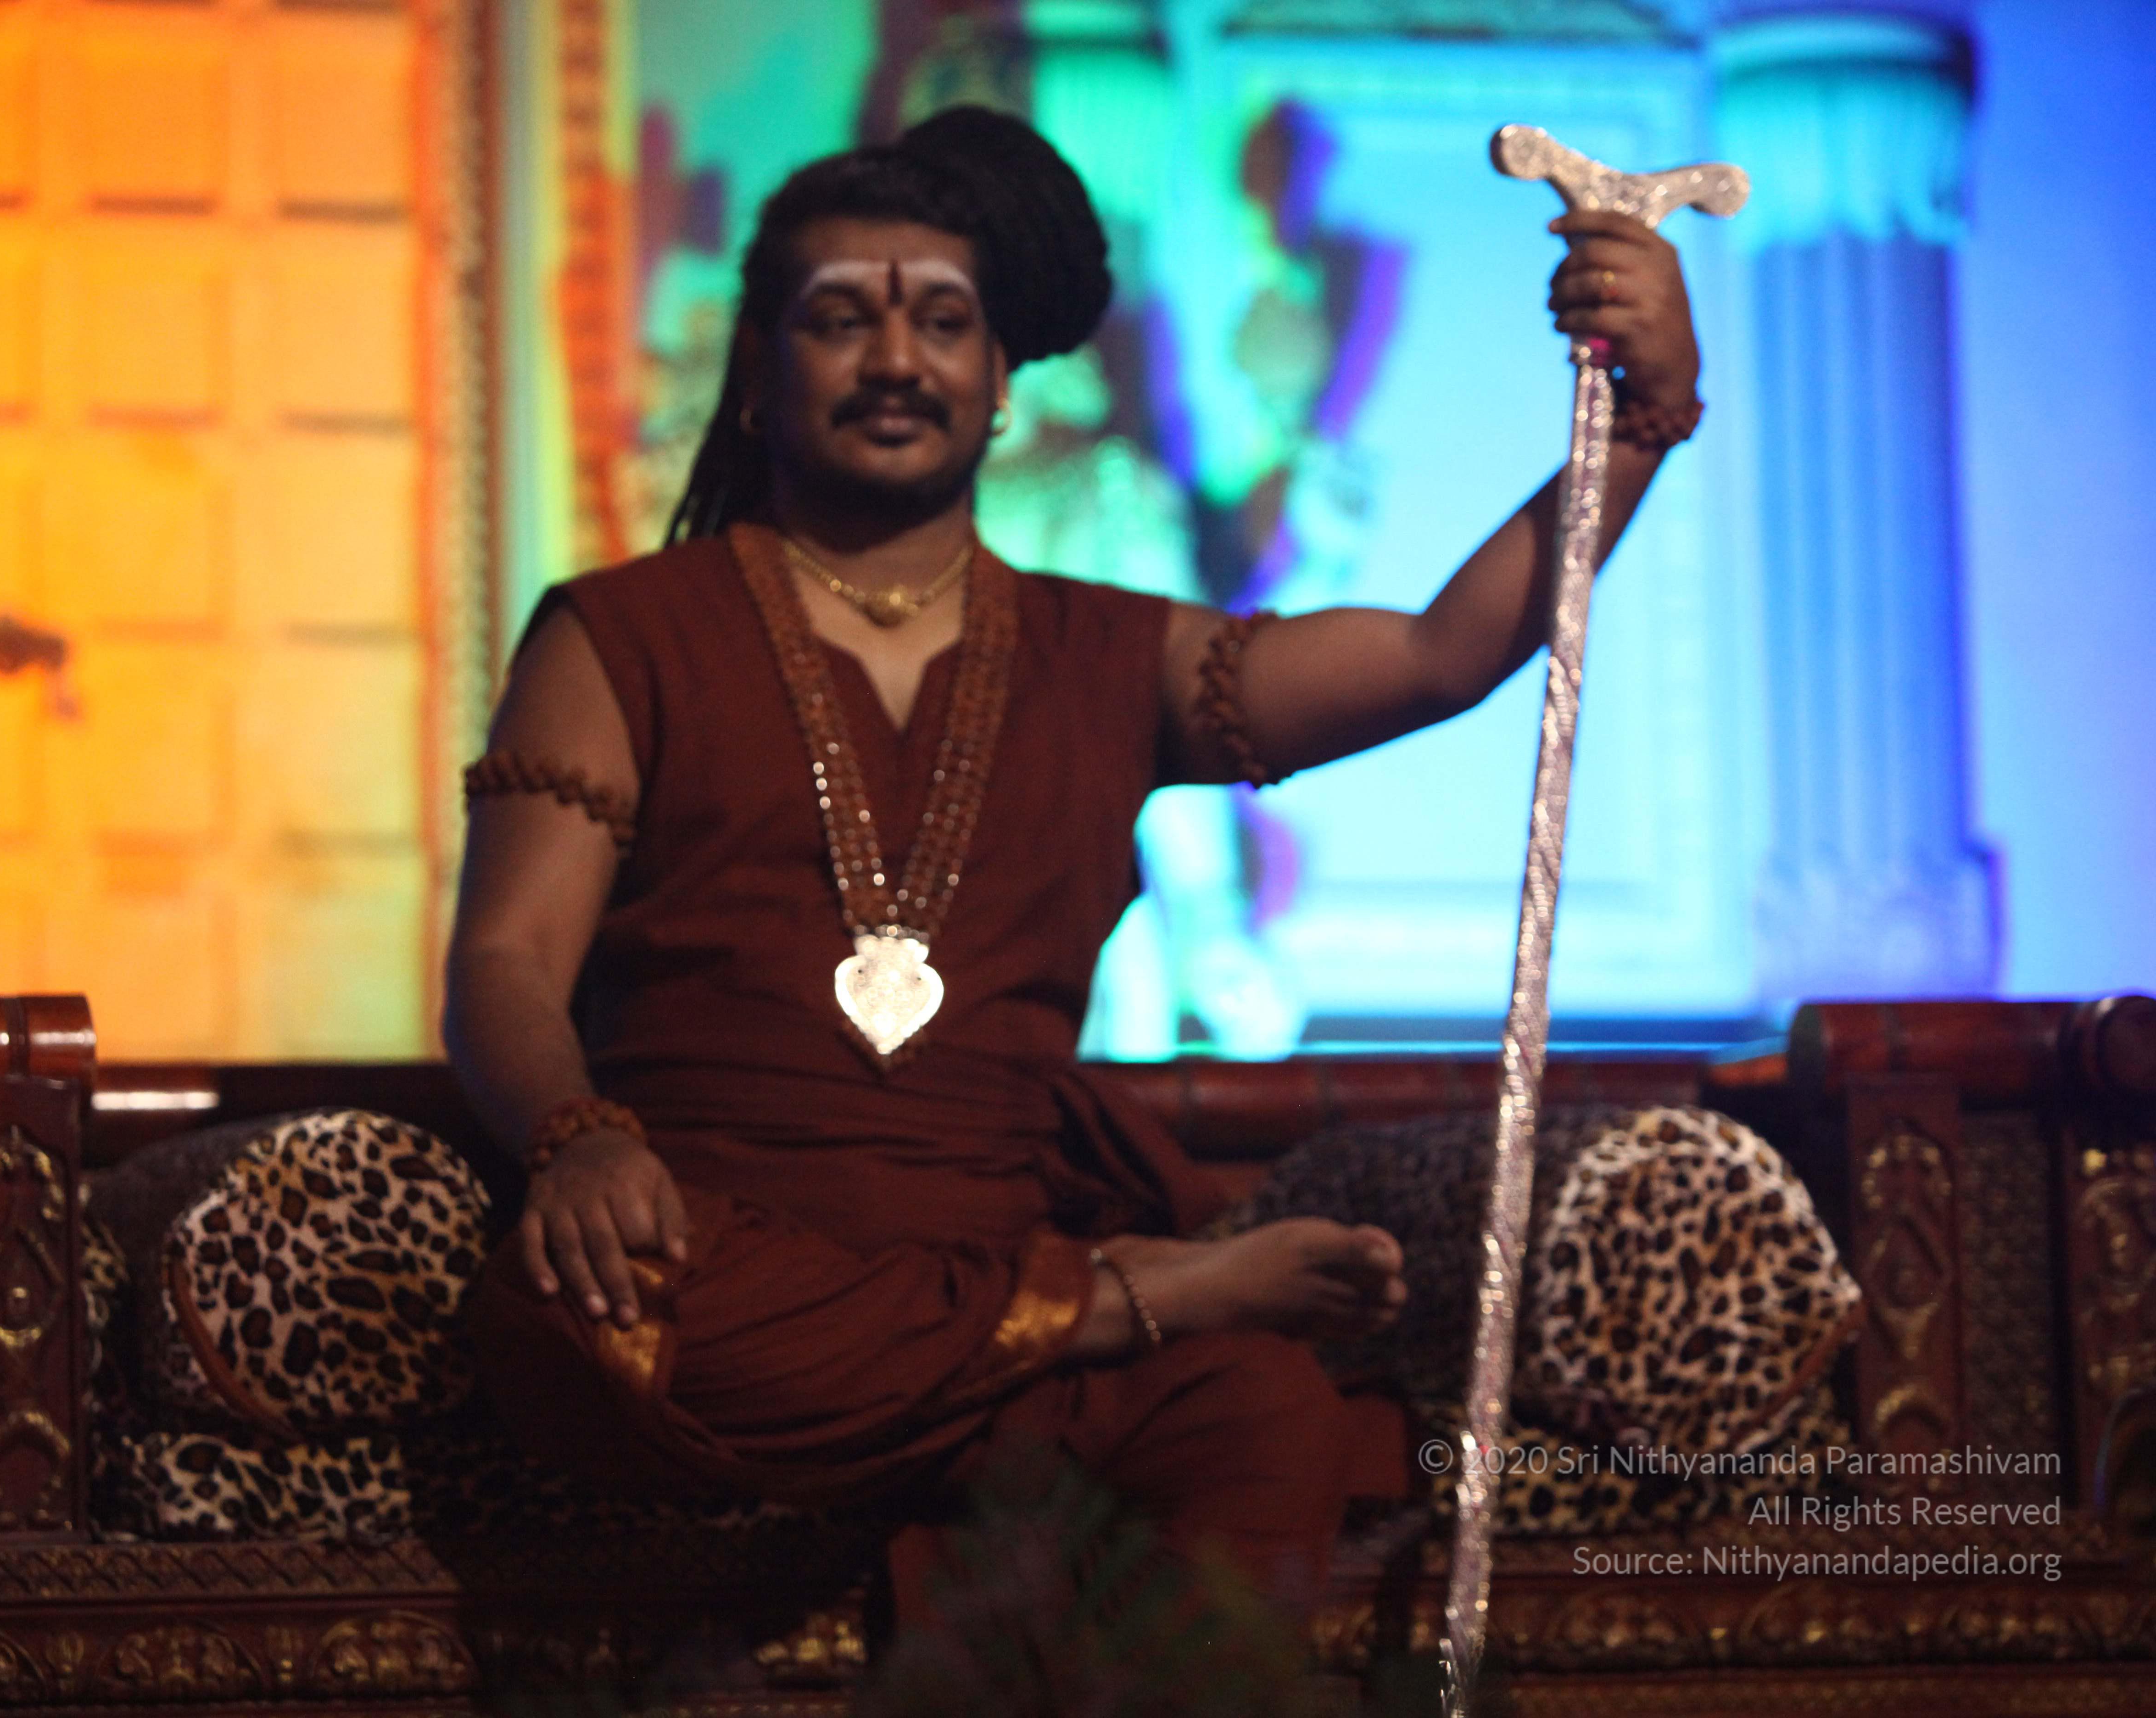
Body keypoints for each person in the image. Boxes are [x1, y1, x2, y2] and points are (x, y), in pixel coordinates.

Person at [446, 105, 1706, 1600]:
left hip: (988, 1239)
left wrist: (1640, 423)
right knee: (597, 1328)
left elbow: (1444, 654)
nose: (897, 361)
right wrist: (579, 1141)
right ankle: (1116, 1306)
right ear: (760, 371)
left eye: (943, 324)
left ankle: (1063, 1339)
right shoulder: (619, 636)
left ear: (1000, 382)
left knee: (1257, 1415)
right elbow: (506, 959)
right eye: (842, 321)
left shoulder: (1110, 654)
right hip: (725, 1258)